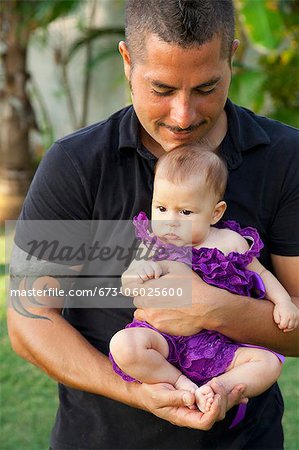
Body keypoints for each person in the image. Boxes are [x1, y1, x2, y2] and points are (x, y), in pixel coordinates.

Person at [7, 1, 299, 449]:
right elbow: (30, 319)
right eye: (161, 89)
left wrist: (212, 309)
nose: (183, 115)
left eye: (206, 87)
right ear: (128, 61)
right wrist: (137, 392)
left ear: (232, 57)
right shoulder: (77, 164)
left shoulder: (285, 159)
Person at [110, 147, 298, 414]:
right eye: (162, 208)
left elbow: (262, 274)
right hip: (167, 342)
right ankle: (180, 382)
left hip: (223, 347)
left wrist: (283, 303)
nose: (171, 221)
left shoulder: (230, 242)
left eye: (185, 212)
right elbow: (129, 285)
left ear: (215, 213)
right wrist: (138, 272)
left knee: (268, 364)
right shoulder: (154, 244)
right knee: (123, 345)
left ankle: (219, 388)